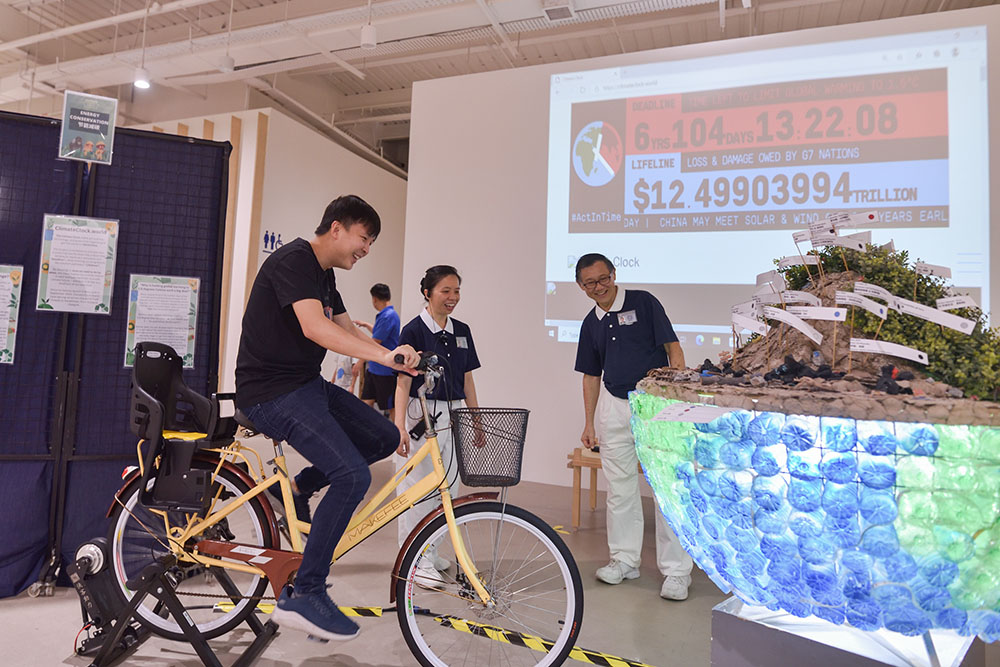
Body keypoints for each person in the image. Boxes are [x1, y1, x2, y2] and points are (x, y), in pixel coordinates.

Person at [235, 194, 419, 642]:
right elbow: (317, 329)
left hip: (304, 385)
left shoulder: (323, 274)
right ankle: (306, 592)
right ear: (336, 228)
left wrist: (391, 355)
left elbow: (345, 326)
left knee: (382, 436)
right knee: (353, 477)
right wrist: (384, 354)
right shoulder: (293, 261)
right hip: (269, 393)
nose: (367, 248)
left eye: (372, 241)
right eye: (364, 237)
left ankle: (300, 487)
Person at [573, 253, 694, 601]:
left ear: (614, 274)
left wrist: (673, 398)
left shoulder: (644, 303)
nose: (599, 287)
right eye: (590, 283)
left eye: (603, 278)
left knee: (666, 490)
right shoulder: (590, 323)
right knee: (620, 489)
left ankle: (676, 572)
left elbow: (673, 348)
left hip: (654, 403)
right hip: (613, 406)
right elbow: (591, 375)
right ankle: (624, 559)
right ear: (582, 287)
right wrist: (589, 421)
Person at [393, 265, 480, 584]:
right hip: (423, 414)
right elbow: (402, 382)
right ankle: (413, 560)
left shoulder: (462, 330)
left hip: (454, 413)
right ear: (427, 293)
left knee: (449, 487)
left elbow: (467, 378)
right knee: (418, 488)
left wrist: (475, 417)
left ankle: (432, 550)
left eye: (456, 290)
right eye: (446, 291)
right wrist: (399, 426)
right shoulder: (413, 331)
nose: (453, 297)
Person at [352, 283, 400, 419]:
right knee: (366, 402)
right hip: (374, 369)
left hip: (385, 371)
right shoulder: (386, 315)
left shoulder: (388, 316)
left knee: (390, 407)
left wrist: (360, 361)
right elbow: (380, 334)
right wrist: (367, 325)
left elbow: (375, 342)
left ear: (374, 299)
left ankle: (397, 435)